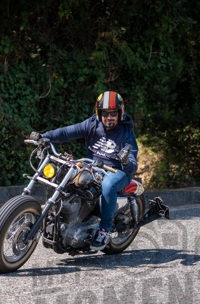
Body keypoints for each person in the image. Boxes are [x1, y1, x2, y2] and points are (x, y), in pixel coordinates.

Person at [30, 91, 138, 251]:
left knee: (108, 185)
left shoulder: (126, 133)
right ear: (99, 113)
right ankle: (67, 216)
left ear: (120, 113)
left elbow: (133, 166)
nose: (109, 117)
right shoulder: (92, 124)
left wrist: (125, 160)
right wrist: (44, 136)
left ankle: (105, 230)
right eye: (105, 113)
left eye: (113, 113)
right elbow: (67, 132)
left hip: (118, 171)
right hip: (94, 166)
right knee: (64, 173)